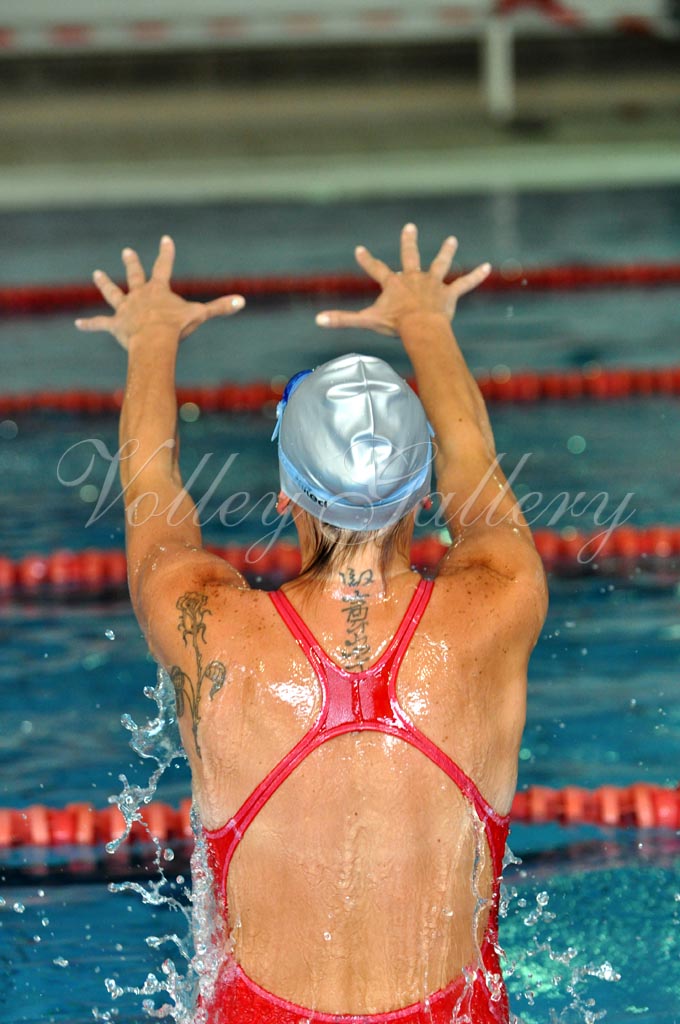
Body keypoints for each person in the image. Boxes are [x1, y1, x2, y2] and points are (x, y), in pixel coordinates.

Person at [76, 224, 548, 1023]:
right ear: (422, 493)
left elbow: (150, 484)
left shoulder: (206, 622)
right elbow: (473, 455)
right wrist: (424, 321)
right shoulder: (501, 599)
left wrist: (151, 337)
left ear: (287, 495)